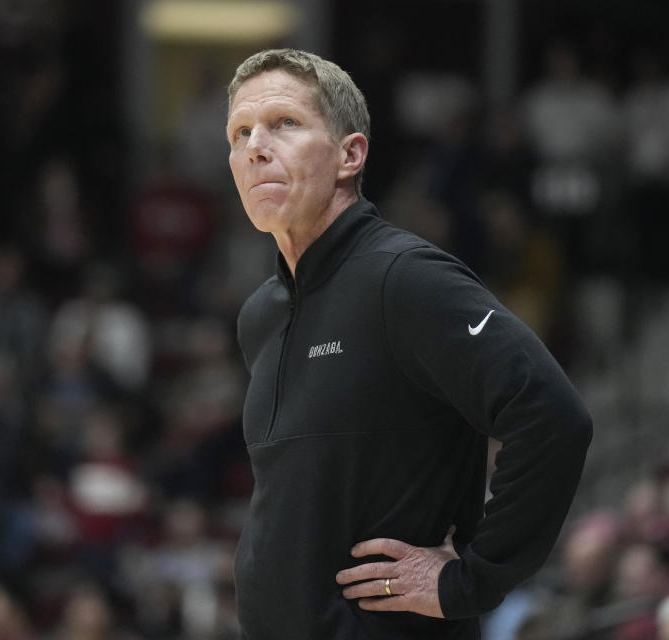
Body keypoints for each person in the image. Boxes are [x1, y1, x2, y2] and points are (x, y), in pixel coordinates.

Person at [225, 48, 592, 639]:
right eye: (240, 133)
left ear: (351, 154)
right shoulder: (260, 315)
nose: (255, 147)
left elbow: (552, 416)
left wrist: (472, 579)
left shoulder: (406, 279)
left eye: (285, 124)